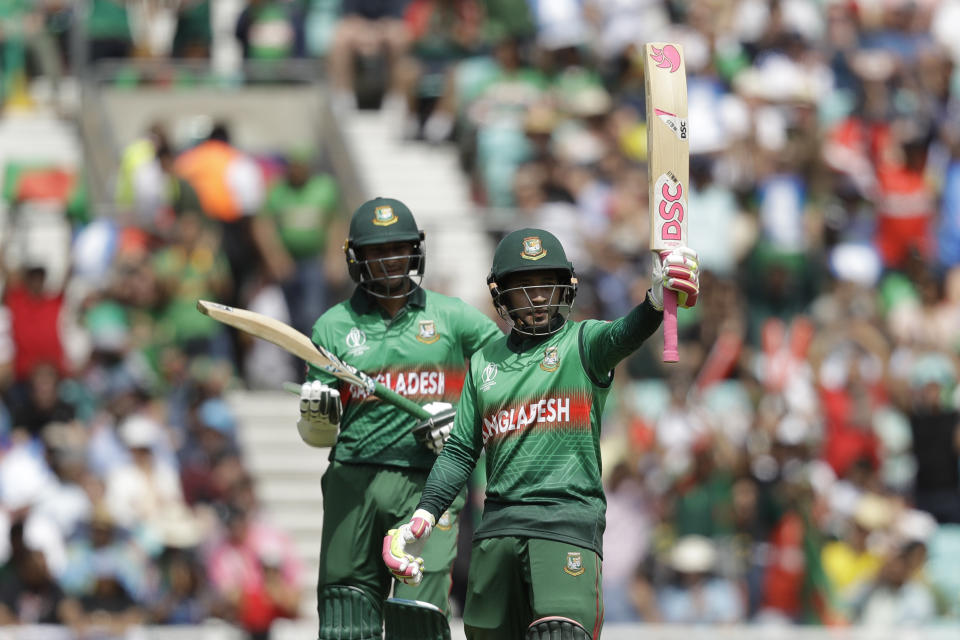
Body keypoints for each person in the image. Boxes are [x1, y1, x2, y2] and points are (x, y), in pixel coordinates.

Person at [383, 228, 700, 639]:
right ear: (502, 295)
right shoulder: (483, 363)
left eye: (546, 283)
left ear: (565, 286)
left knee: (560, 633)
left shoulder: (584, 343)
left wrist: (656, 300)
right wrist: (425, 514)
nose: (536, 296)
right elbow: (460, 451)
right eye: (524, 286)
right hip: (496, 529)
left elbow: (626, 332)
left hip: (564, 521)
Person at [298, 197, 502, 639]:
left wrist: (464, 420)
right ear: (358, 258)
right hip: (353, 477)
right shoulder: (332, 327)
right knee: (345, 608)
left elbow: (508, 374)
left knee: (419, 612)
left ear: (416, 251)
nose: (390, 260)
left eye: (399, 249)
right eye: (377, 251)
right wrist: (315, 420)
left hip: (432, 481)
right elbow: (319, 435)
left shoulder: (453, 317)